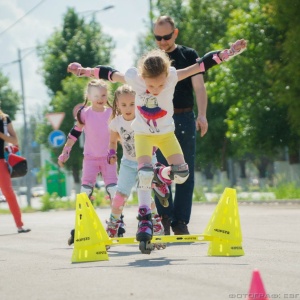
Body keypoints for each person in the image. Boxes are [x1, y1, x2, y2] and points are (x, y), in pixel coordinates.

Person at [67, 38, 247, 253]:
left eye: (160, 85)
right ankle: (146, 215)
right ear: (143, 78)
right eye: (151, 85)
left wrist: (229, 52)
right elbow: (110, 74)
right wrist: (84, 71)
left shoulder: (171, 76)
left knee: (182, 174)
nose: (155, 89)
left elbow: (200, 65)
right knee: (143, 172)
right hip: (142, 134)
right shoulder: (135, 79)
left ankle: (161, 176)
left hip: (165, 135)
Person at [152, 16, 223, 234]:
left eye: (166, 37)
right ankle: (165, 218)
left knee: (185, 171)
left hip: (185, 118)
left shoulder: (188, 55)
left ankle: (180, 222)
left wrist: (202, 115)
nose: (162, 42)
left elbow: (199, 88)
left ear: (175, 33)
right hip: (160, 121)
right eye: (158, 38)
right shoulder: (153, 59)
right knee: (160, 172)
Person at [105, 84, 166, 249]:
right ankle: (112, 227)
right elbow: (112, 140)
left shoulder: (143, 118)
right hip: (127, 163)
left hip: (146, 162)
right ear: (117, 105)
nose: (128, 108)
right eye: (123, 105)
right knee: (119, 196)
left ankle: (156, 226)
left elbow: (157, 135)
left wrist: (154, 147)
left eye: (132, 104)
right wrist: (111, 152)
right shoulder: (115, 122)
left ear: (137, 103)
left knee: (144, 196)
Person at [58, 79, 118, 245]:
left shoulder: (112, 112)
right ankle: (79, 227)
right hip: (90, 158)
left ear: (108, 95)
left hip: (108, 158)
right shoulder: (85, 113)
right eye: (97, 95)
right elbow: (74, 133)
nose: (100, 98)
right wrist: (66, 151)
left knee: (114, 190)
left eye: (104, 95)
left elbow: (122, 132)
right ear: (89, 96)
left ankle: (117, 223)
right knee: (85, 192)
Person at [0, 109, 31, 233]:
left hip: (0, 161)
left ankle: (20, 225)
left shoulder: (4, 119)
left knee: (9, 193)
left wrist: (1, 135)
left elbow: (15, 141)